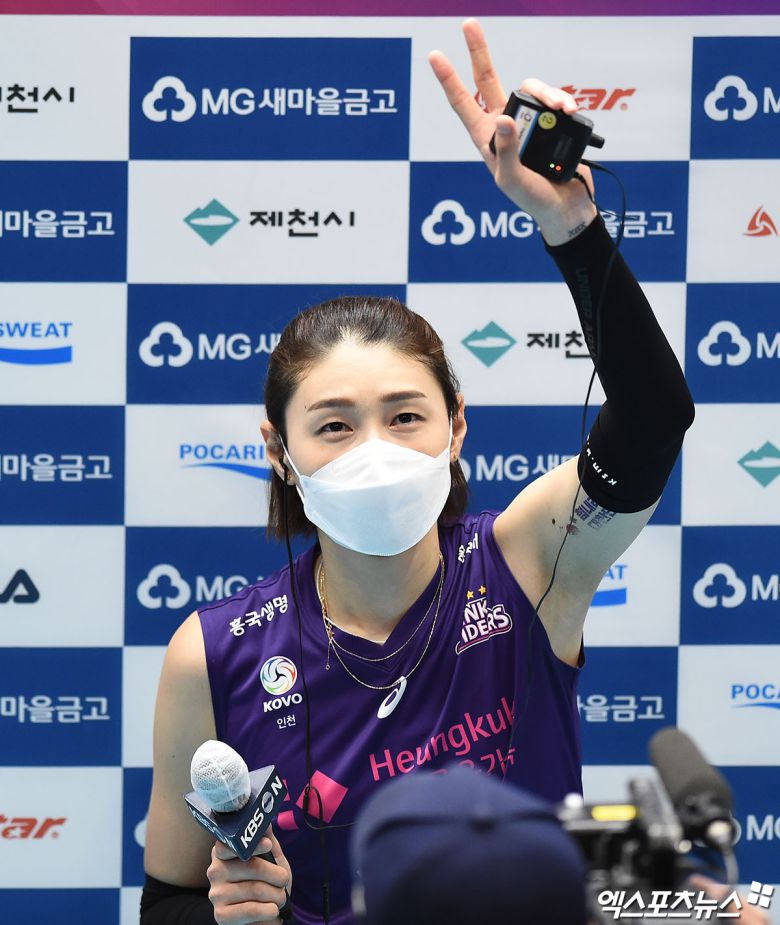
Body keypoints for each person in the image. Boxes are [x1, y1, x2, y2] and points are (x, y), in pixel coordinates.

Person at [140, 18, 695, 925]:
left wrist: (573, 229)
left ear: (456, 427)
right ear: (280, 451)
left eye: (405, 416)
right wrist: (232, 912)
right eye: (334, 425)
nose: (377, 449)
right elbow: (165, 901)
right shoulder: (212, 652)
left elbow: (652, 421)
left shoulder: (527, 566)